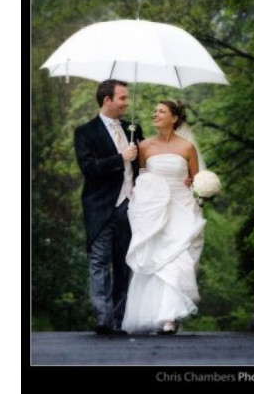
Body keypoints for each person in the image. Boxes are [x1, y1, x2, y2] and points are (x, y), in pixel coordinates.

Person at [121, 100, 206, 335]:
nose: (155, 114)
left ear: (174, 118)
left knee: (177, 260)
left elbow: (196, 182)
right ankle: (160, 313)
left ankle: (169, 315)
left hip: (181, 207)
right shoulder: (144, 147)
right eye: (154, 110)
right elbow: (141, 180)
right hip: (154, 211)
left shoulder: (187, 148)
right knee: (157, 260)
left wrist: (196, 186)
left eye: (161, 111)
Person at [74, 79, 143, 335]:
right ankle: (104, 319)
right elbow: (89, 169)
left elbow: (143, 167)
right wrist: (120, 158)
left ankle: (119, 318)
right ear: (107, 100)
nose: (127, 103)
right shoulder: (85, 132)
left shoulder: (134, 129)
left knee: (125, 263)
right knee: (100, 263)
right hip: (100, 207)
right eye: (123, 98)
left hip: (130, 205)